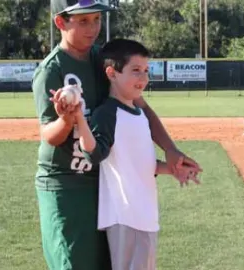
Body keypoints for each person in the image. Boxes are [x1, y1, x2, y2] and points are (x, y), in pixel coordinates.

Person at [31, 1, 202, 269]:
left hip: (104, 181)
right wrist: (66, 119)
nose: (93, 28)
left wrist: (170, 148)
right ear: (61, 23)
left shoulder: (102, 60)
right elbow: (49, 136)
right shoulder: (52, 70)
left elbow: (141, 106)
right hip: (67, 184)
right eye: (83, 20)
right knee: (74, 263)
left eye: (96, 19)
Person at [74, 38, 198, 270]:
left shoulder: (138, 114)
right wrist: (80, 120)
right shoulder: (107, 113)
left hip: (145, 213)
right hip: (126, 214)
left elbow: (141, 163)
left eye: (146, 71)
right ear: (112, 73)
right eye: (135, 71)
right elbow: (95, 154)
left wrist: (172, 169)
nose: (143, 78)